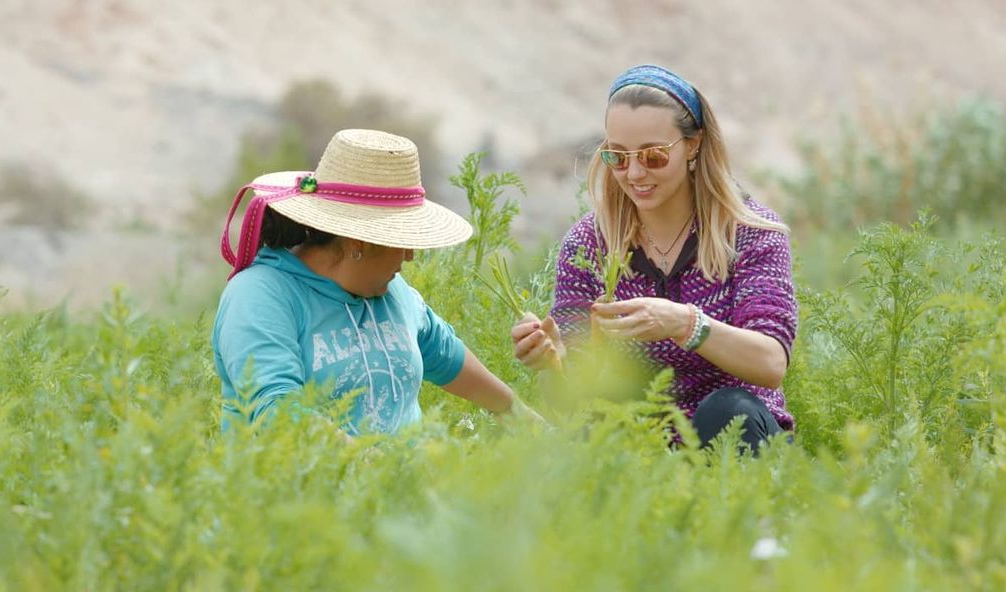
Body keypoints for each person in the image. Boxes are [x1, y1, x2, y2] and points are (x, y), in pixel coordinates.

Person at [511, 64, 797, 452]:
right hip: (640, 449)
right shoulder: (588, 244)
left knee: (727, 411)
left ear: (693, 144)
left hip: (733, 442)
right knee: (591, 425)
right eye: (618, 156)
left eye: (653, 156)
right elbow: (573, 404)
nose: (634, 173)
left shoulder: (751, 233)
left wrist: (685, 323)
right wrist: (554, 361)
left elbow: (770, 364)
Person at [214, 128, 540, 435]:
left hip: (402, 488)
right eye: (402, 240)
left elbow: (447, 357)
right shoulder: (261, 295)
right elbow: (277, 412)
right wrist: (374, 468)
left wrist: (529, 423)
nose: (410, 255)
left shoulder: (393, 295)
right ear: (360, 243)